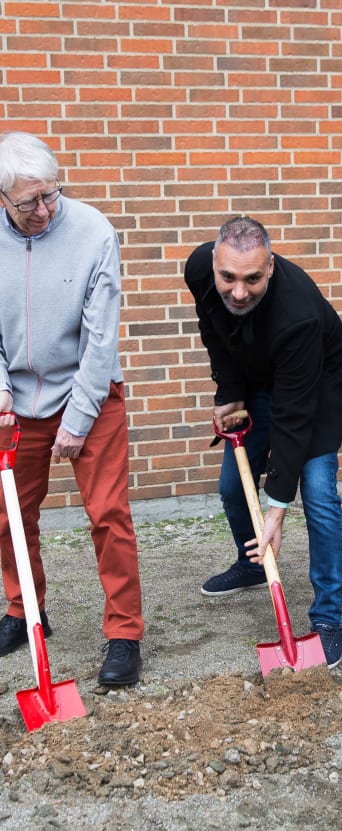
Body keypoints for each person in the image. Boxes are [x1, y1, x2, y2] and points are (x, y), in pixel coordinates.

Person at [0, 131, 144, 684]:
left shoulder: (93, 232)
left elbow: (100, 339)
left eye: (51, 194)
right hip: (18, 400)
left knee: (108, 514)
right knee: (10, 515)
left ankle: (124, 633)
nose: (44, 209)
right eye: (29, 201)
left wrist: (78, 420)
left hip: (91, 391)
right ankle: (24, 610)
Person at [184, 216, 342, 668]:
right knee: (230, 487)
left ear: (271, 267)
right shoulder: (200, 268)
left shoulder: (297, 312)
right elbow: (214, 332)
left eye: (253, 278)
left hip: (314, 381)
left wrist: (276, 508)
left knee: (316, 492)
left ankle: (327, 618)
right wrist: (229, 391)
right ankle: (254, 564)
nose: (239, 291)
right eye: (229, 277)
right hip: (257, 372)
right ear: (215, 263)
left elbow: (294, 418)